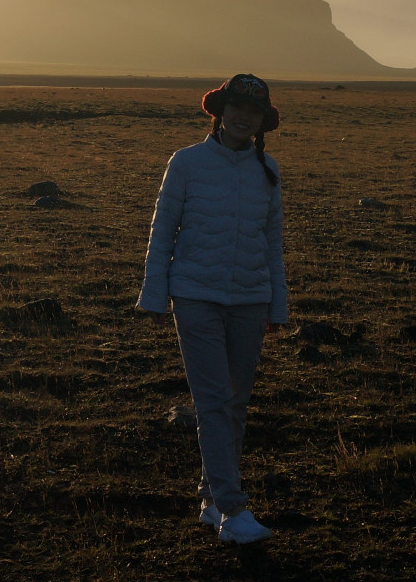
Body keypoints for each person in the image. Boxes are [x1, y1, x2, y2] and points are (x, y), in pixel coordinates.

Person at [137, 72, 288, 545]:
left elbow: (272, 241)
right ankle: (233, 510)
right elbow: (163, 231)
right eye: (236, 107)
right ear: (219, 112)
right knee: (214, 401)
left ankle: (209, 499)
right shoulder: (186, 163)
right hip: (196, 296)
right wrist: (154, 295)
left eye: (254, 111)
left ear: (263, 120)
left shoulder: (269, 170)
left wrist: (276, 304)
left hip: (249, 298)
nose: (244, 117)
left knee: (236, 403)